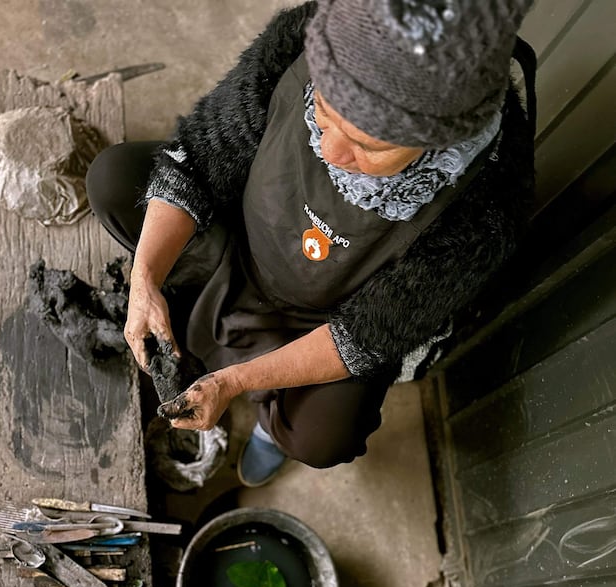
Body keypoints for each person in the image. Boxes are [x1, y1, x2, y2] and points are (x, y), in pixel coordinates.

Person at [85, 0, 537, 487]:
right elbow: (199, 155)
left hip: (326, 322)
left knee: (325, 438)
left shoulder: (488, 204)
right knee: (114, 179)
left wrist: (232, 382)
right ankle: (184, 298)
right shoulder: (307, 34)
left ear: (443, 138)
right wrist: (145, 277)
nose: (331, 151)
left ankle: (269, 421)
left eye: (369, 146)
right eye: (323, 113)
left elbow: (364, 337)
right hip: (239, 244)